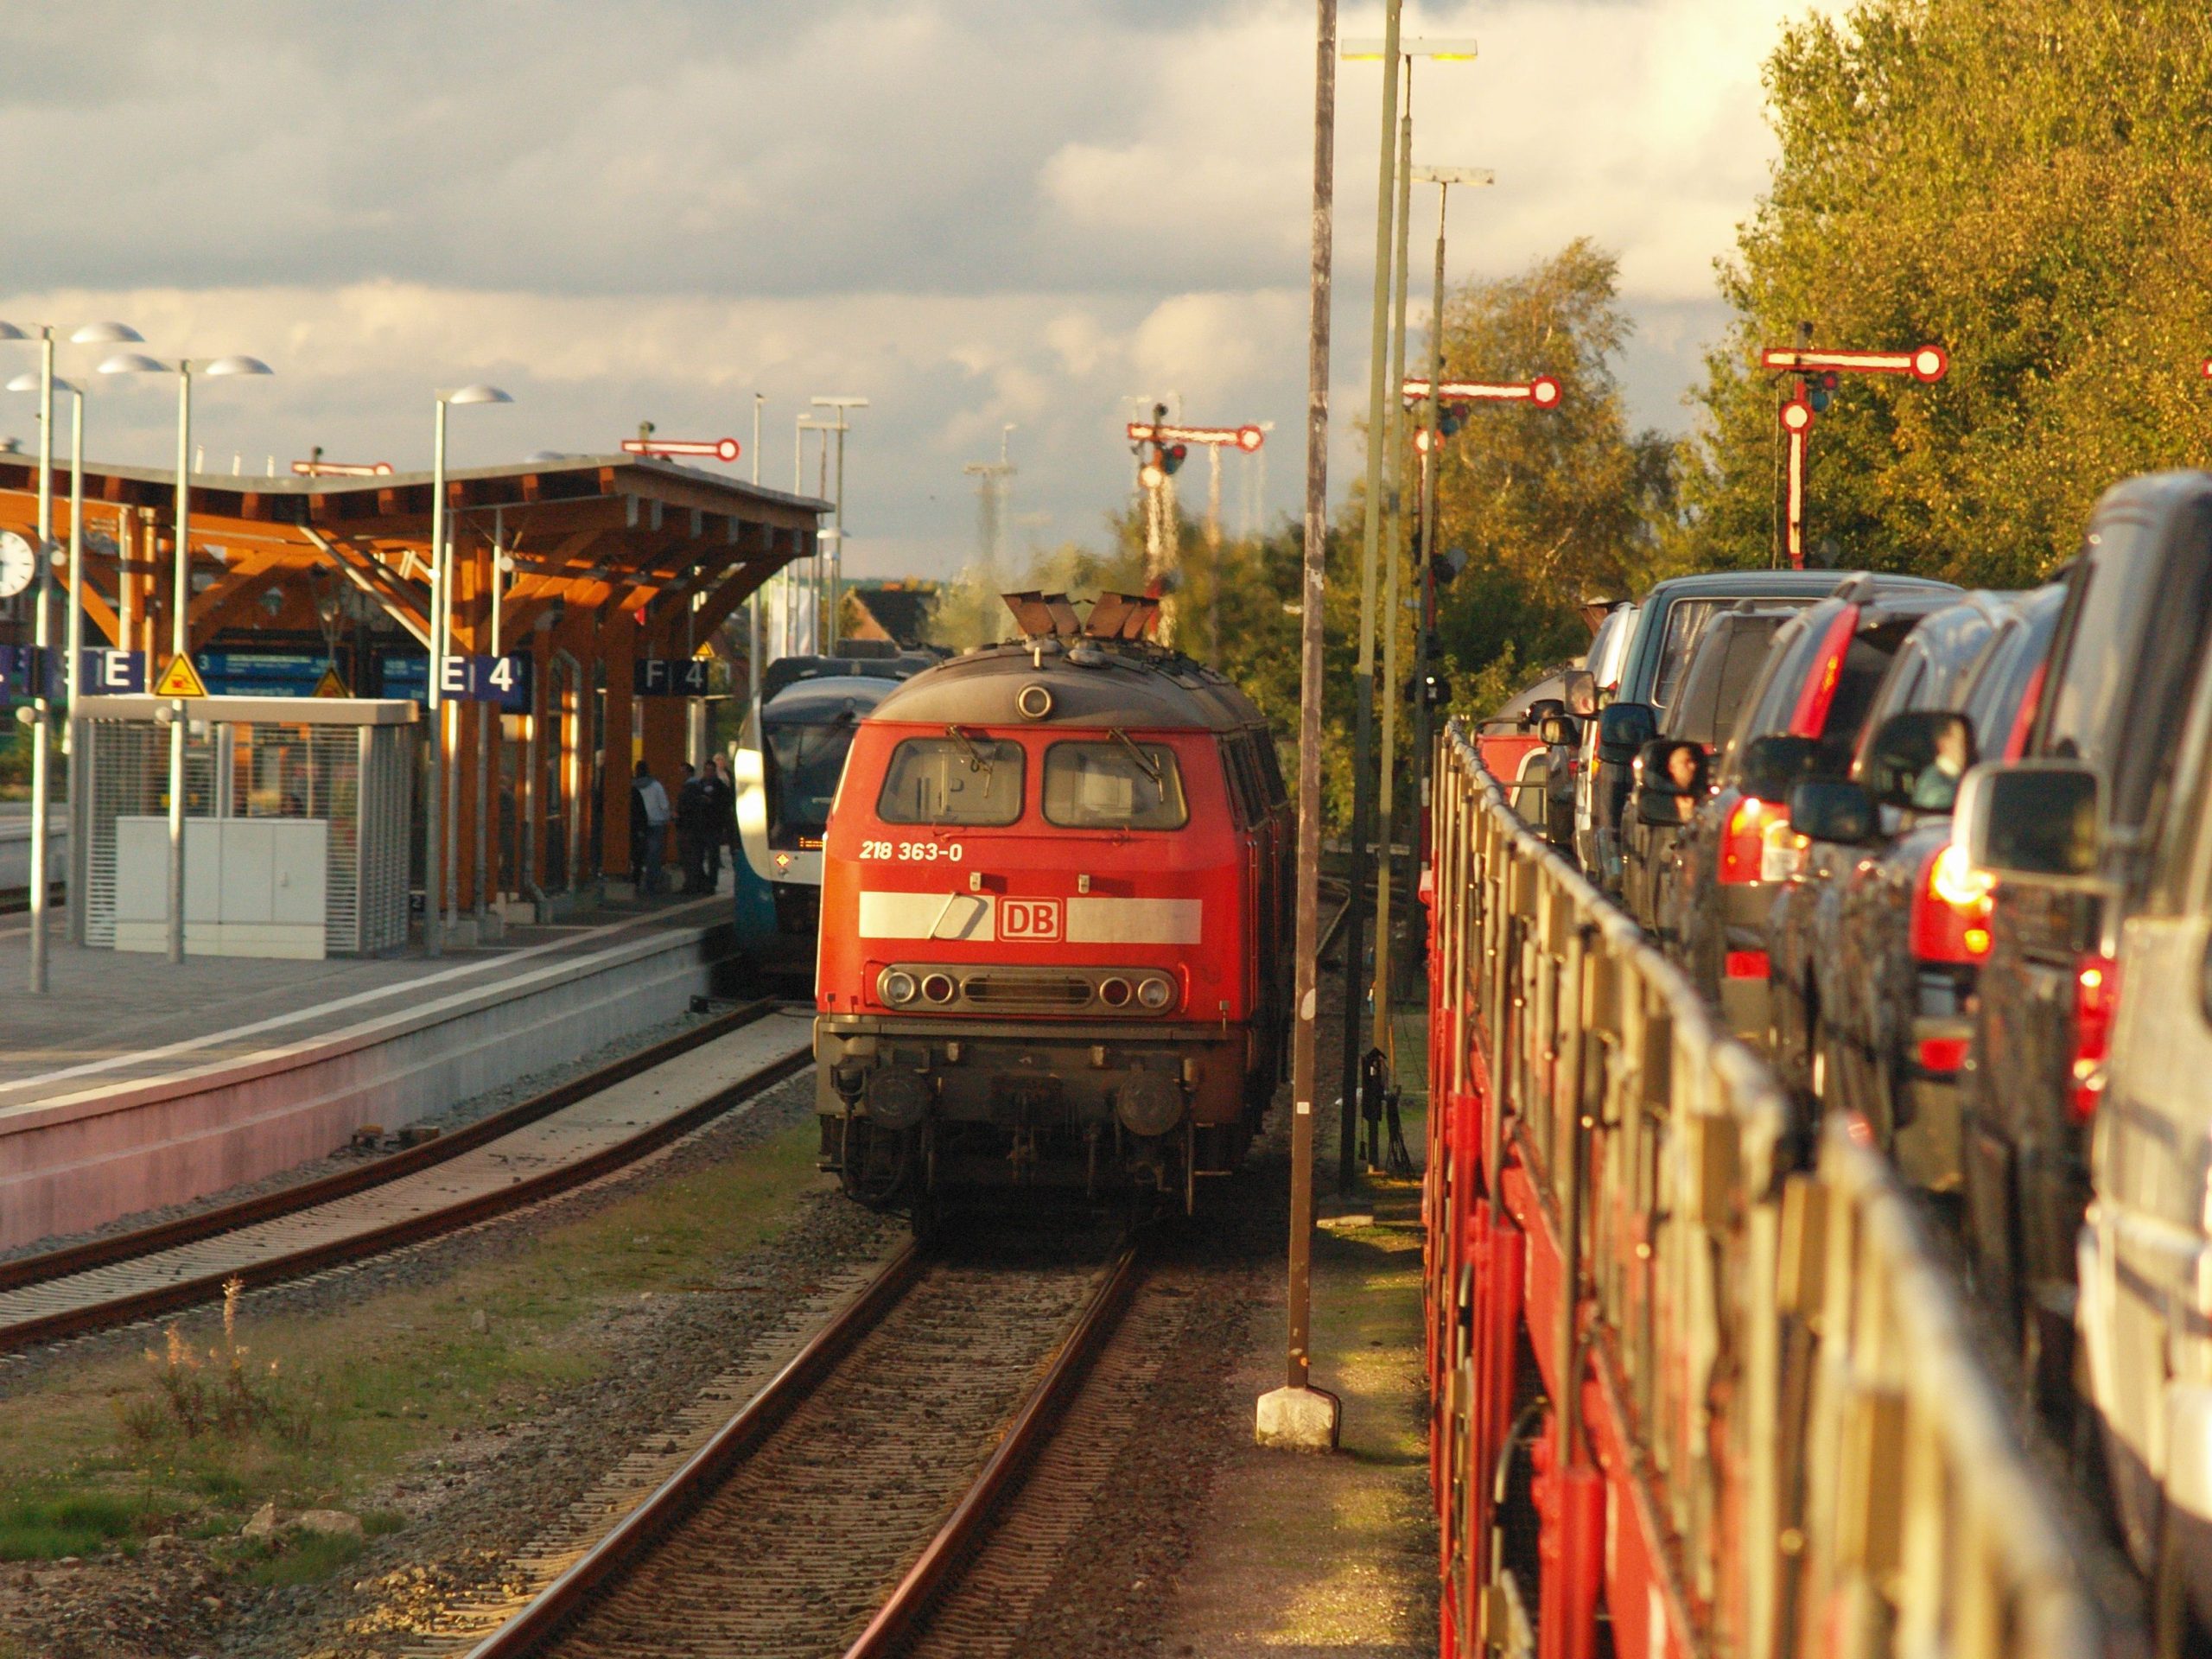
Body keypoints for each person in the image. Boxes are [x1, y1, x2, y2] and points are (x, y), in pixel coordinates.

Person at [631, 760, 671, 894]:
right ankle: (650, 884)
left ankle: (636, 881)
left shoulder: (632, 786)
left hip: (637, 825)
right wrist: (666, 818)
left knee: (637, 854)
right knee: (653, 856)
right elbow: (664, 805)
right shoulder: (656, 786)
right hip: (656, 823)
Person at [701, 754, 737, 893]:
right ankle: (704, 880)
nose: (709, 773)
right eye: (707, 770)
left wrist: (713, 803)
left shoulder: (720, 785)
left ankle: (712, 882)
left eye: (711, 770)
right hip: (704, 823)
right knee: (703, 854)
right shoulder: (701, 784)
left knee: (713, 854)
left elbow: (726, 802)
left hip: (715, 824)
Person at [675, 761, 712, 894]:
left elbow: (685, 808)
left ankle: (691, 885)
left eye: (682, 772)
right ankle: (698, 884)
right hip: (697, 828)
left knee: (688, 858)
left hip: (688, 828)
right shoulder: (699, 787)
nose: (680, 775)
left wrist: (678, 815)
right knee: (696, 857)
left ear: (688, 773)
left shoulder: (689, 789)